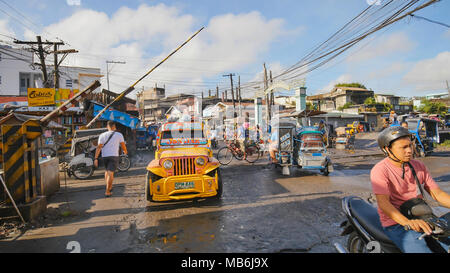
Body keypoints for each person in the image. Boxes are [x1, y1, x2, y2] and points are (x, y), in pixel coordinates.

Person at [370, 126, 450, 252]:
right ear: (387, 149)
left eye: (410, 146)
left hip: (422, 216)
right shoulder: (380, 170)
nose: (409, 151)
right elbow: (383, 203)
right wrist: (408, 222)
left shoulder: (418, 165)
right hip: (397, 223)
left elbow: (437, 194)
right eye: (403, 147)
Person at [94, 121, 128, 197]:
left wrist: (95, 158)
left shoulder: (102, 135)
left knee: (107, 171)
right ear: (114, 126)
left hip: (104, 156)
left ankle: (109, 186)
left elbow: (99, 147)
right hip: (114, 156)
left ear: (107, 127)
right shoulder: (119, 135)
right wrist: (125, 151)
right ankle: (107, 191)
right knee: (110, 173)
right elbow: (123, 145)